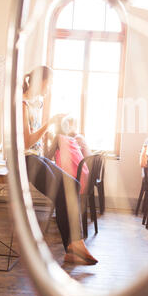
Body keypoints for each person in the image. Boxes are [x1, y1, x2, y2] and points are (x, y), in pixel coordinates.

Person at [22, 65, 97, 265]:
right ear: (41, 82)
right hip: (24, 160)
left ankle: (75, 244)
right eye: (50, 84)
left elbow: (35, 142)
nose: (50, 88)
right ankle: (74, 246)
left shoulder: (36, 103)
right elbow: (26, 142)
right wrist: (49, 123)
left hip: (35, 156)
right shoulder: (21, 104)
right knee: (64, 191)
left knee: (73, 184)